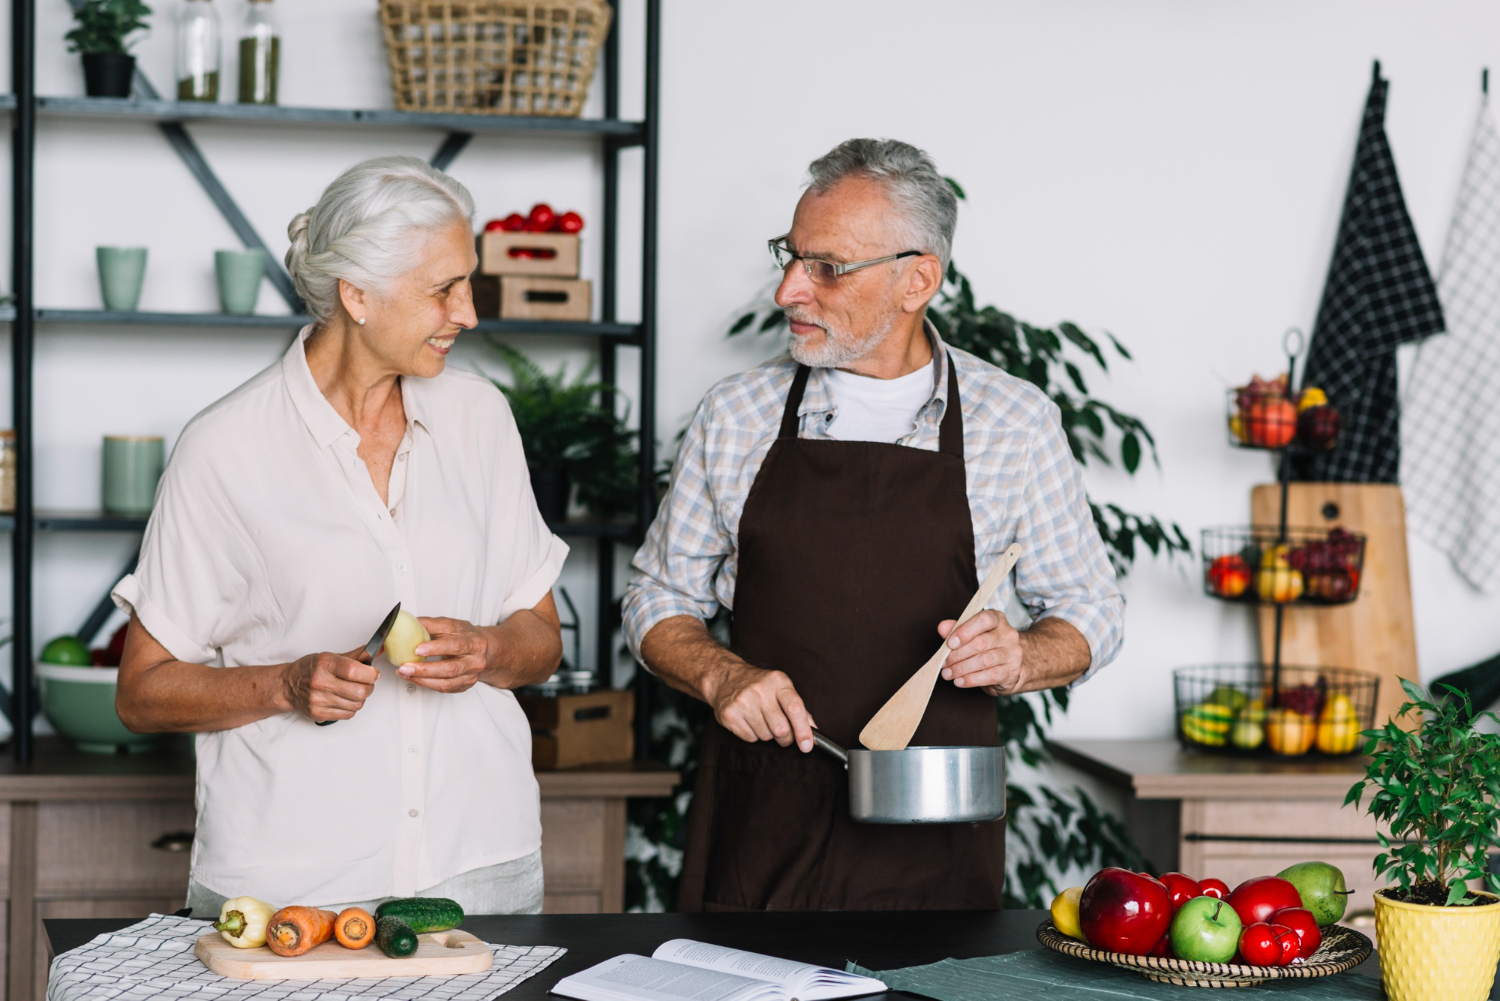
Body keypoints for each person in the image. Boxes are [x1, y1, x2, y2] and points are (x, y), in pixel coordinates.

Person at [622, 139, 1125, 912]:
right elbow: (657, 597)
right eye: (789, 257)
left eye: (827, 266)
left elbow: (1094, 609)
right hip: (763, 823)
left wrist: (1022, 654)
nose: (790, 289)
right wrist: (722, 673)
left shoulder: (1014, 422)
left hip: (934, 832)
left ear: (917, 279)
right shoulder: (737, 414)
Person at [112, 156, 569, 916]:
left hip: (480, 865)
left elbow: (542, 638)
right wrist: (285, 684)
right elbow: (142, 690)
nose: (469, 313)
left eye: (469, 283)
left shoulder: (481, 418)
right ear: (356, 294)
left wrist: (489, 648)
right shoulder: (224, 447)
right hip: (293, 890)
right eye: (443, 289)